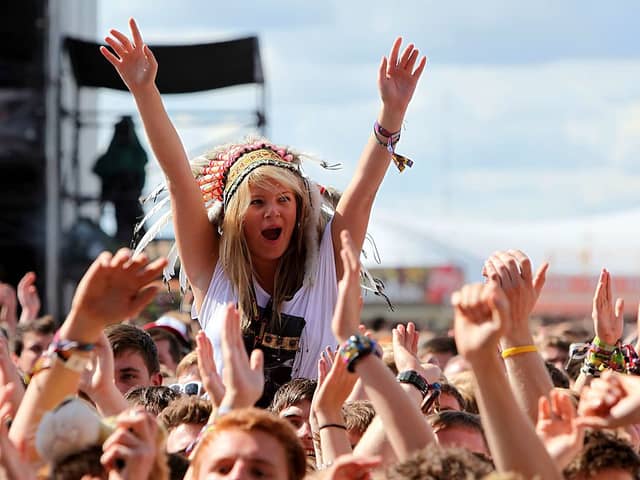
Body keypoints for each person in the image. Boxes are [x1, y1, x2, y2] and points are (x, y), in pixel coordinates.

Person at [101, 18, 426, 404]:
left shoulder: (328, 265)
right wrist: (144, 90)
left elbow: (365, 190)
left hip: (316, 440)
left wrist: (392, 114)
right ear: (236, 218)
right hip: (231, 443)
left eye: (283, 201)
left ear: (301, 211)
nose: (273, 212)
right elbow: (177, 178)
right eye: (258, 203)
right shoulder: (212, 268)